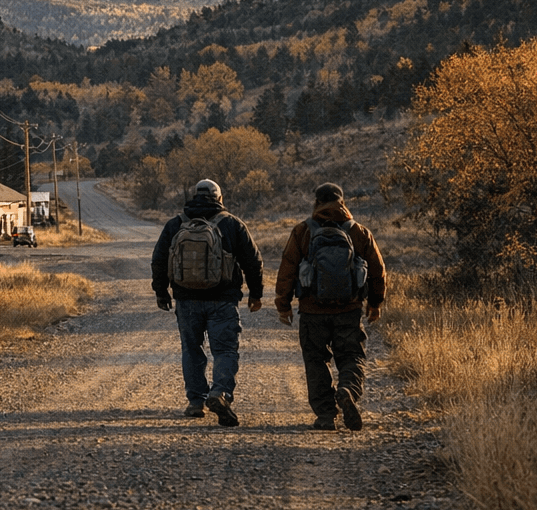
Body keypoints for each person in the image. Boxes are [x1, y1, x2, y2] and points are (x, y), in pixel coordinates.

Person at [274, 182, 387, 432]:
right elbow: (378, 271)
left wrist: (284, 305)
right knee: (352, 356)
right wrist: (375, 303)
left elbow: (287, 270)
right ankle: (348, 389)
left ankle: (326, 415)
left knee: (315, 360)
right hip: (349, 310)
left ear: (316, 202)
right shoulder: (358, 232)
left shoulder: (302, 231)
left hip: (312, 311)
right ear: (343, 202)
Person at [152, 179, 264, 427]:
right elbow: (253, 261)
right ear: (219, 198)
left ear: (194, 196)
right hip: (223, 301)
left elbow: (159, 259)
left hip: (186, 300)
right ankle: (220, 393)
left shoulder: (176, 224)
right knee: (224, 350)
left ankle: (195, 402)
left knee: (191, 349)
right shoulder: (232, 224)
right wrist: (256, 294)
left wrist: (161, 292)